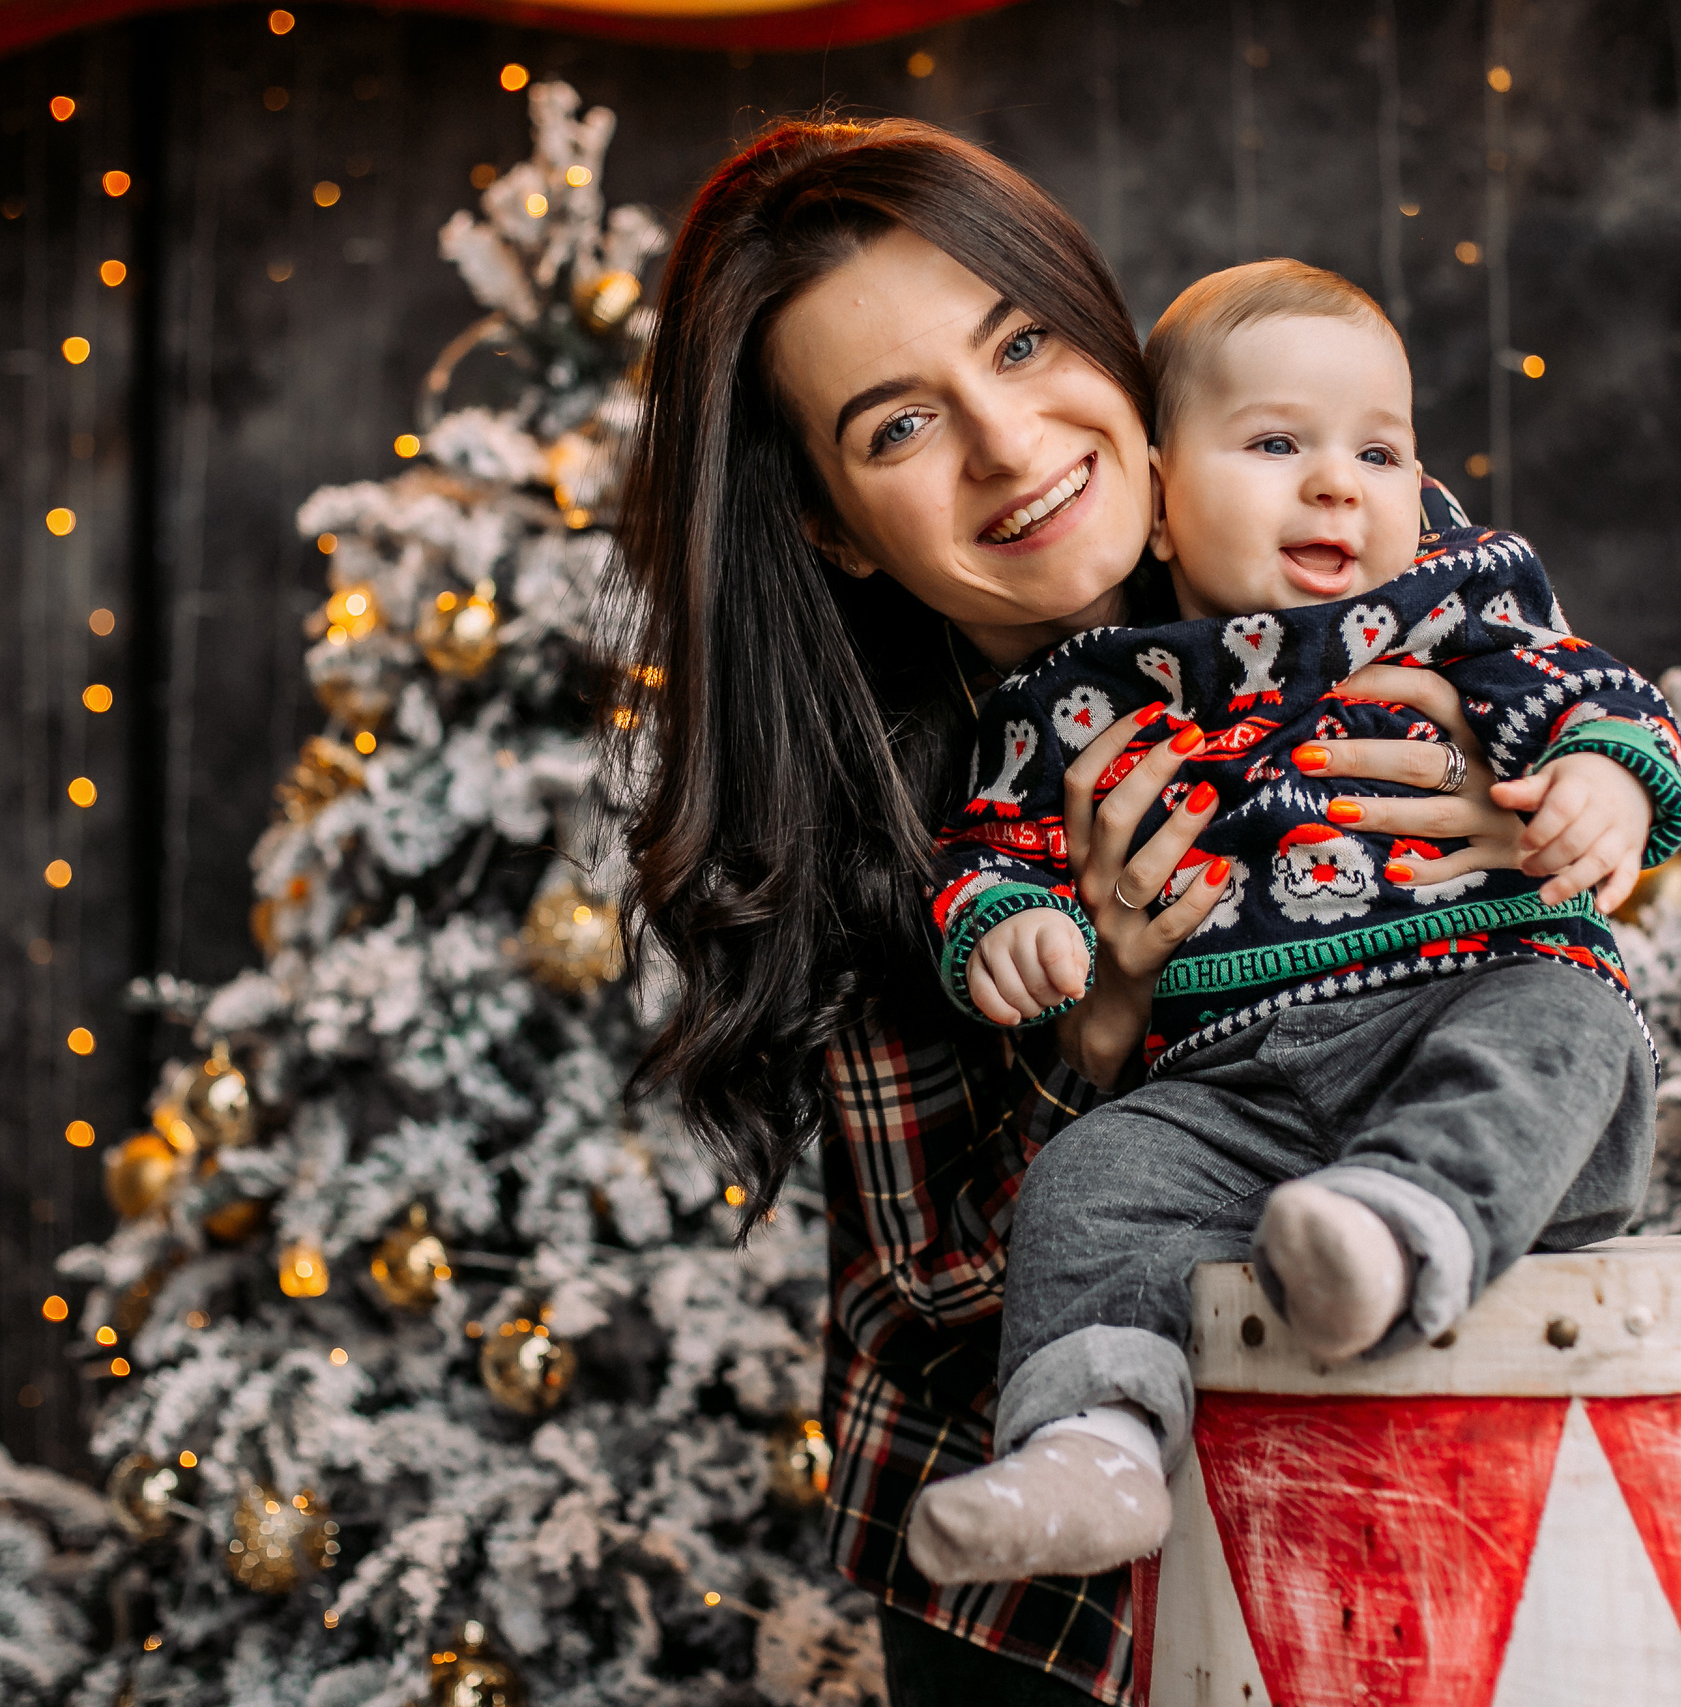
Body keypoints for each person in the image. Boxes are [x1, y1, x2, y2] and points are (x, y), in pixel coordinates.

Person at [614, 121, 1539, 1705]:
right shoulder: (863, 818)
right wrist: (1101, 1015)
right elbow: (930, 1293)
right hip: (1048, 1623)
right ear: (834, 523)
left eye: (1023, 342)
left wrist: (1541, 814)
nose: (1012, 443)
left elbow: (1572, 956)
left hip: (1388, 1502)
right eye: (902, 425)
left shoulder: (1352, 539)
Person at [903, 261, 1681, 1585]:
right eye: (1277, 443)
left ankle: (1402, 1227)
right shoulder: (1092, 691)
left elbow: (1589, 691)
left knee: (1568, 1016)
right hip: (1230, 1103)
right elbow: (992, 837)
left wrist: (1605, 778)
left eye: (1378, 451)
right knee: (1095, 1180)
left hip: (1472, 1026)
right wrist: (1007, 923)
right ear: (1160, 499)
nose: (1338, 483)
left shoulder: (1452, 615)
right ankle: (1096, 1443)